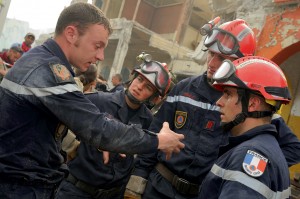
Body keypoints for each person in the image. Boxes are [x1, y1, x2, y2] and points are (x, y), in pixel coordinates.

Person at [0, 3, 184, 199]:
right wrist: (158, 140)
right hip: (20, 186)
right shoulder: (50, 72)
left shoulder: (41, 61)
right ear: (71, 33)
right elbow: (98, 128)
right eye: (97, 46)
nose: (100, 56)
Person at [125, 19, 300, 199]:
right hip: (158, 187)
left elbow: (292, 149)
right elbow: (155, 132)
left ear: (240, 61)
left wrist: (243, 167)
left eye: (222, 58)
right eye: (210, 54)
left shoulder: (249, 107)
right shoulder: (183, 89)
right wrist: (138, 178)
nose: (212, 63)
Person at [56, 54, 171, 199]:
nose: (139, 87)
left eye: (148, 87)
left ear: (153, 97)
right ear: (133, 78)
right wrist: (76, 145)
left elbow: (144, 158)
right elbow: (60, 123)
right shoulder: (97, 101)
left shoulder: (148, 120)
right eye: (140, 79)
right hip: (76, 191)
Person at [198, 56, 291, 198]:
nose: (219, 102)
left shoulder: (249, 156)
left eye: (228, 94)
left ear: (252, 104)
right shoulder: (266, 147)